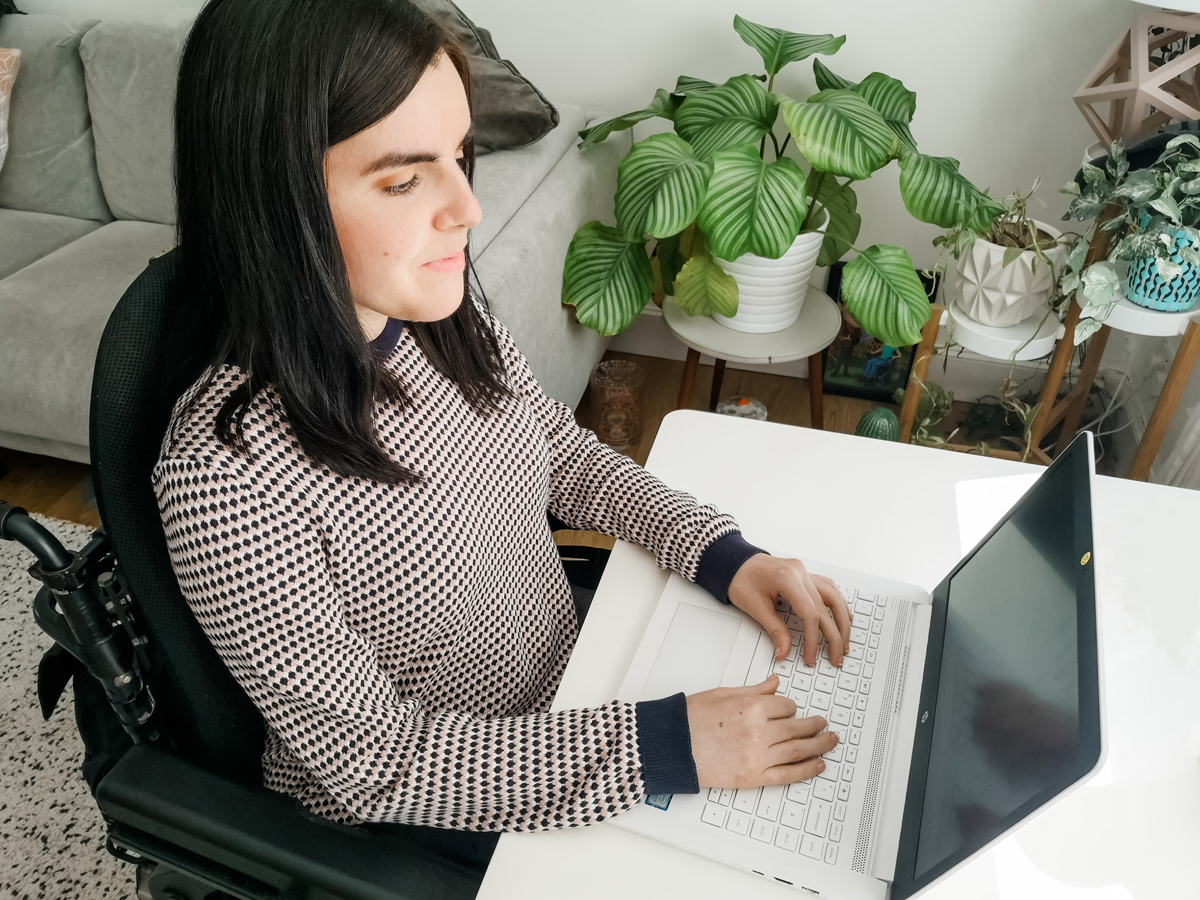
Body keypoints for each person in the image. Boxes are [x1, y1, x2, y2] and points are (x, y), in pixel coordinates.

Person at [155, 0, 854, 869]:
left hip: (569, 696)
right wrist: (664, 747)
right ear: (272, 195)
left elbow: (558, 454)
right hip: (429, 815)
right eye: (406, 179)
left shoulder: (437, 321)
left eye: (459, 156)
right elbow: (372, 761)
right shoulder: (227, 477)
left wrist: (723, 555)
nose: (468, 210)